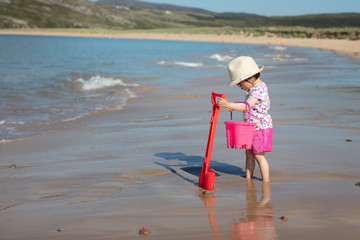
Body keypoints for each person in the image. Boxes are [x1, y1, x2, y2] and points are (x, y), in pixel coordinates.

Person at [217, 56, 273, 182]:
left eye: (239, 84)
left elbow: (247, 106)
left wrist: (229, 104)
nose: (240, 87)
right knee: (248, 154)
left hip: (261, 128)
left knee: (259, 156)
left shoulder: (259, 89)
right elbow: (247, 105)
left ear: (248, 79)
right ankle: (248, 178)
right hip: (250, 128)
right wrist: (233, 106)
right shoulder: (252, 88)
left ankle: (266, 182)